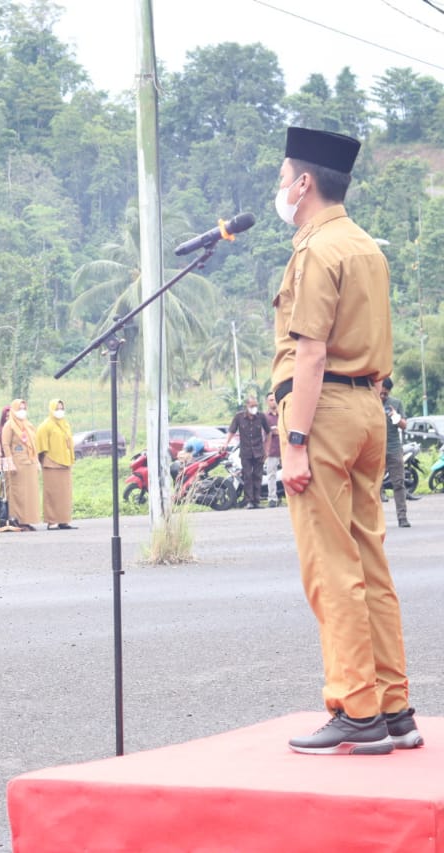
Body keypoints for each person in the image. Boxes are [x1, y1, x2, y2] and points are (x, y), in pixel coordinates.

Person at [270, 127, 417, 755]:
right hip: (367, 409)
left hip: (323, 411)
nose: (279, 189)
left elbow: (310, 350)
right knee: (369, 562)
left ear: (304, 184)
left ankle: (355, 709)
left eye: (282, 178)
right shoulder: (366, 248)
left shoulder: (316, 251)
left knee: (331, 566)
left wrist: (295, 438)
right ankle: (393, 707)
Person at [36, 400, 75, 530]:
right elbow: (40, 446)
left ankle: (64, 520)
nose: (60, 411)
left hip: (65, 462)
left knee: (65, 494)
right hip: (51, 463)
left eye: (61, 408)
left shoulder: (65, 424)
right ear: (51, 409)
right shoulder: (46, 425)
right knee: (52, 493)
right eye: (57, 408)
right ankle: (52, 521)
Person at [1, 399, 40, 532]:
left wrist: (37, 461)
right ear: (13, 410)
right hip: (17, 464)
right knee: (19, 493)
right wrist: (10, 462)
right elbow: (6, 444)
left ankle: (27, 520)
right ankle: (18, 520)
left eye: (24, 408)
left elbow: (34, 444)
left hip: (30, 463)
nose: (22, 411)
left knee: (30, 493)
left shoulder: (28, 425)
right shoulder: (9, 425)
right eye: (19, 408)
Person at [227, 395, 270, 509]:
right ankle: (249, 501)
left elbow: (269, 433)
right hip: (245, 451)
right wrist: (225, 444)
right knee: (247, 476)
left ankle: (256, 501)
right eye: (252, 406)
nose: (254, 408)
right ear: (247, 405)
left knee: (258, 476)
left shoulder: (261, 417)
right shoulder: (239, 417)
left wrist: (267, 450)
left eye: (256, 405)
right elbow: (231, 431)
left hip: (259, 451)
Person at [380, 377, 410, 528]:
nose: (383, 396)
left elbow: (404, 425)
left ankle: (402, 517)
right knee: (372, 486)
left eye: (386, 394)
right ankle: (373, 522)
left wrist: (394, 416)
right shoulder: (370, 402)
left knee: (399, 483)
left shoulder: (396, 403)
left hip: (393, 448)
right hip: (374, 449)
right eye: (381, 393)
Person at [264, 392, 282, 507]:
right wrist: (276, 431)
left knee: (288, 474)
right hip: (272, 450)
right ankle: (272, 498)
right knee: (271, 475)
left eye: (274, 399)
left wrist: (277, 431)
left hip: (285, 450)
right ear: (267, 402)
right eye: (270, 400)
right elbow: (267, 432)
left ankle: (290, 498)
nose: (273, 401)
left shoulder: (283, 414)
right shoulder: (265, 417)